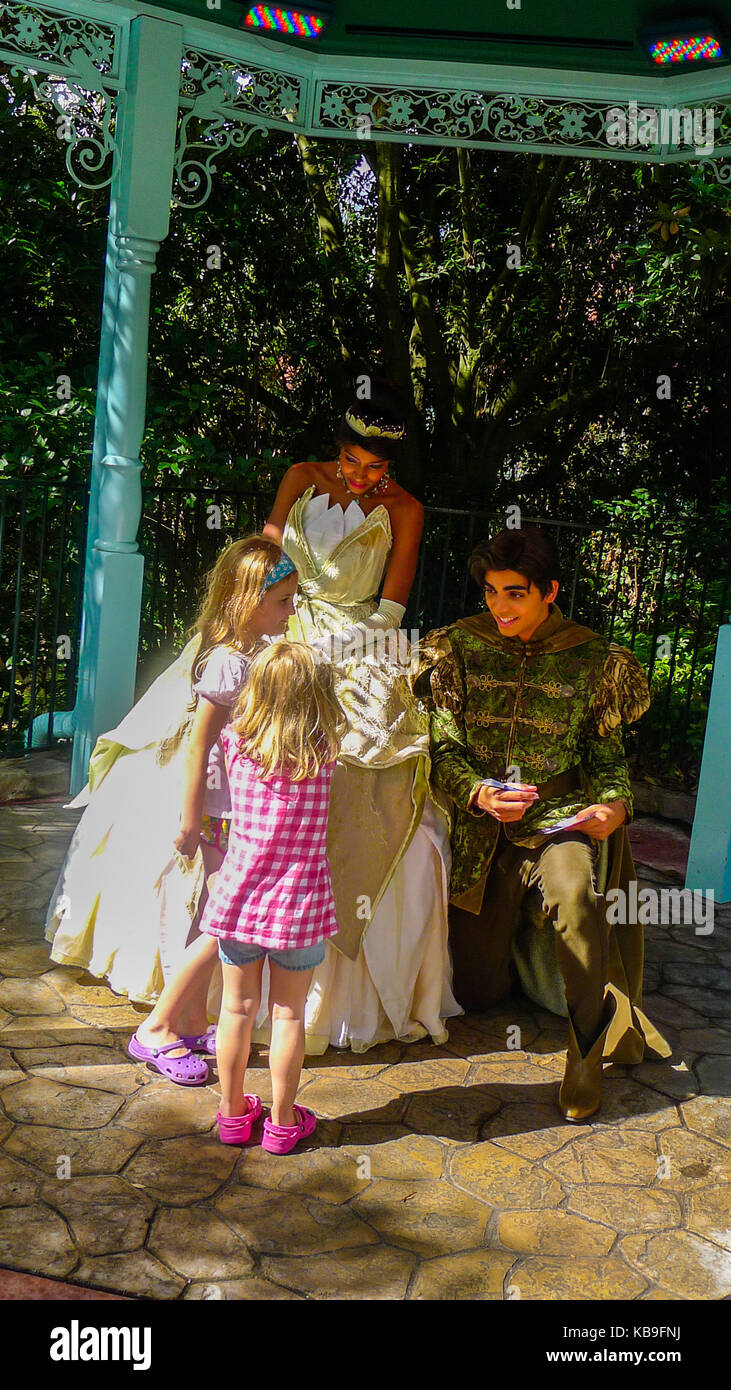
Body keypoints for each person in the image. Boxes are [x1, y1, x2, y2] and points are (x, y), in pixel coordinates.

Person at [414, 524, 670, 1123]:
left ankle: (585, 1046)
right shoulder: (457, 648)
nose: (499, 607)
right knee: (476, 993)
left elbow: (606, 760)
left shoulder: (594, 660)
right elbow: (442, 750)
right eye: (491, 592)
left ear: (549, 591)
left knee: (576, 895)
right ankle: (530, 967)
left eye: (514, 594)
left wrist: (614, 806)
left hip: (559, 819)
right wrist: (476, 793)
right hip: (482, 835)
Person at [45, 538, 298, 1083]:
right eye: (281, 601)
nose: (291, 610)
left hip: (240, 810)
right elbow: (197, 745)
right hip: (222, 813)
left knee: (214, 912)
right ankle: (155, 1029)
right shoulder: (230, 662)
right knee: (225, 924)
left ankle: (186, 1017)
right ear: (246, 599)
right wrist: (190, 819)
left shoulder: (254, 654)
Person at [261, 378, 460, 1053]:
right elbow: (265, 560)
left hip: (359, 638)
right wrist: (272, 625)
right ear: (336, 448)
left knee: (370, 760)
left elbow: (393, 608)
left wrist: (341, 643)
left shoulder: (405, 509)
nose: (362, 476)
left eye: (377, 468)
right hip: (280, 617)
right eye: (352, 461)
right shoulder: (298, 476)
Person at [202, 642, 346, 1151]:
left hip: (240, 900)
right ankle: (284, 1124)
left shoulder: (236, 744)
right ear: (318, 696)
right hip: (300, 907)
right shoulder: (324, 752)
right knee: (289, 1016)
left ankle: (233, 1114)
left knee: (236, 1011)